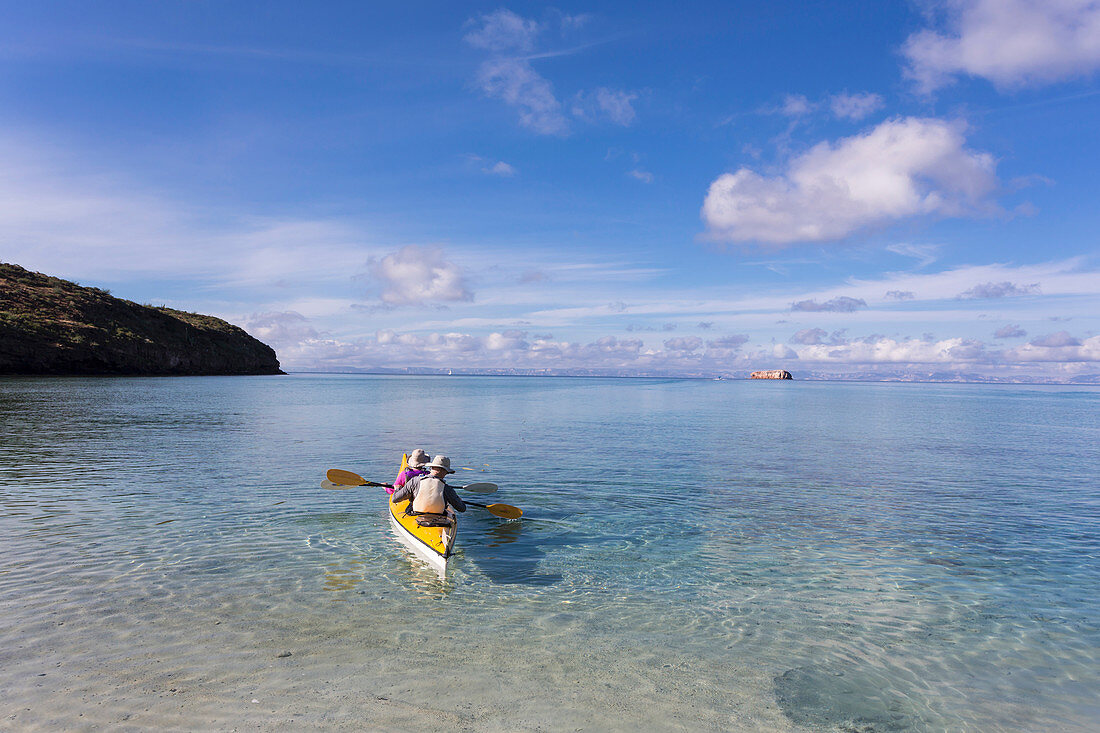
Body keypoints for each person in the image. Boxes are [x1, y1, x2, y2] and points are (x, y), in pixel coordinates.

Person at [391, 455, 466, 517]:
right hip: (438, 517)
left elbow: (395, 499)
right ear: (445, 472)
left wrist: (397, 489)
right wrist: (459, 500)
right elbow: (462, 508)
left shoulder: (414, 481)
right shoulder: (447, 488)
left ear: (431, 468)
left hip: (416, 515)